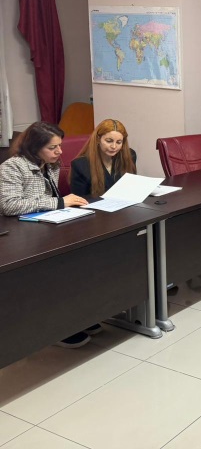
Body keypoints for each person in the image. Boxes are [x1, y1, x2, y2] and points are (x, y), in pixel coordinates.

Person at [0, 121, 95, 349]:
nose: (60, 151)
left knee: (80, 263)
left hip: (45, 227)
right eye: (53, 147)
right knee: (53, 276)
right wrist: (59, 203)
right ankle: (57, 329)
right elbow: (9, 205)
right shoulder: (12, 167)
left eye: (60, 146)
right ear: (34, 147)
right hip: (19, 235)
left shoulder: (49, 164)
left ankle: (81, 317)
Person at [71, 119, 137, 198]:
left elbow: (131, 188)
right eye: (109, 141)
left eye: (119, 142)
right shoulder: (81, 165)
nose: (114, 146)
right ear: (98, 139)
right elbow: (79, 200)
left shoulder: (130, 156)